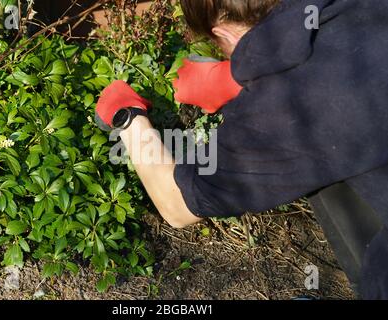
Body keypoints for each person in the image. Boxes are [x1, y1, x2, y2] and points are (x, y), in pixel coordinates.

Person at [95, 0, 388, 299]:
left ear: (224, 34)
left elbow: (176, 206)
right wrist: (239, 78)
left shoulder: (286, 112)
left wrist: (128, 119)